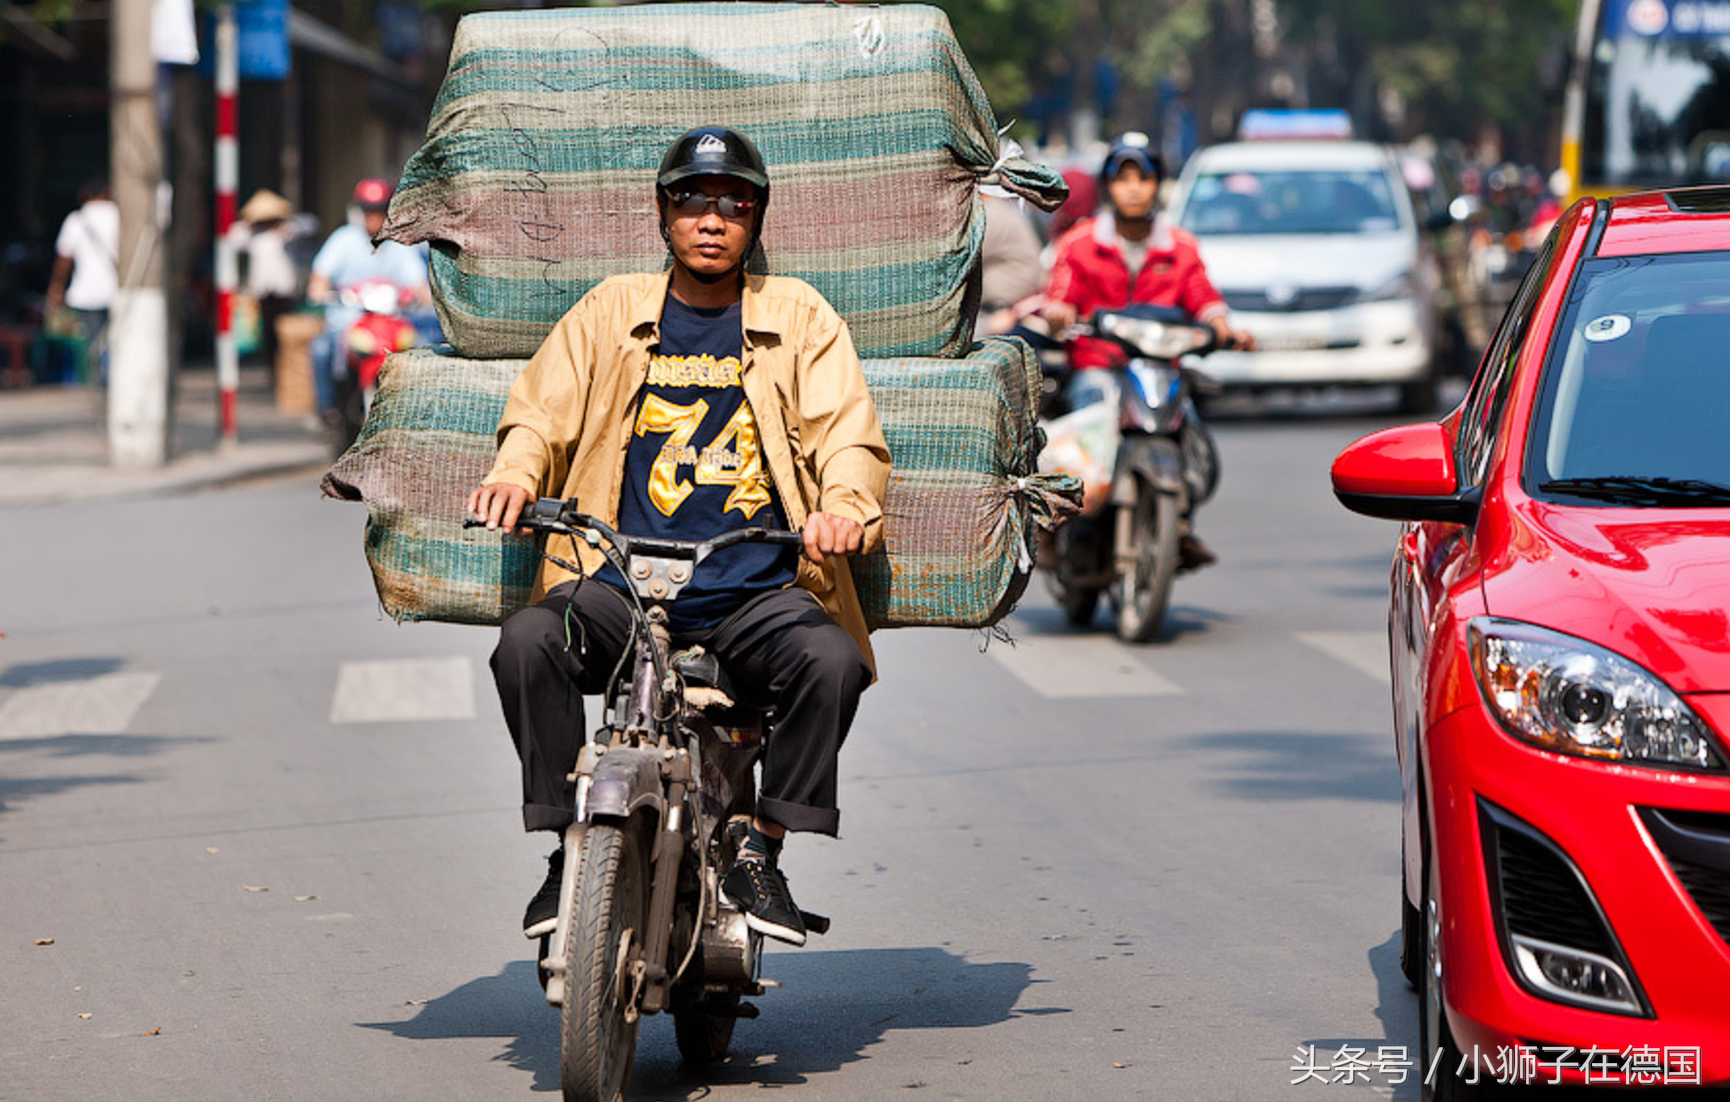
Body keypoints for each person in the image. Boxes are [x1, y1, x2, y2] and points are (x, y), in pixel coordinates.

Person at [466, 126, 890, 949]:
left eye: (734, 203)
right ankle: (569, 847)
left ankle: (759, 848)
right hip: (620, 582)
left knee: (833, 663)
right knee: (525, 643)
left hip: (754, 592)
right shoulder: (610, 310)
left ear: (755, 221)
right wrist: (517, 473)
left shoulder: (800, 316)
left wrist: (844, 505)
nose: (711, 218)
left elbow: (850, 437)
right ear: (663, 213)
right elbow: (540, 414)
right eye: (692, 199)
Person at [1041, 131, 1254, 569]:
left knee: (1187, 426)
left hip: (1158, 371)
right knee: (1093, 411)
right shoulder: (1080, 244)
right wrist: (1061, 311)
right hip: (1098, 367)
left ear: (1159, 185)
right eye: (1124, 178)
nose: (1134, 188)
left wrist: (1223, 328)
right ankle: (1071, 519)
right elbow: (1061, 293)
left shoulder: (1180, 247)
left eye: (1145, 177)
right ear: (1109, 187)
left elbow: (1204, 297)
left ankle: (1179, 524)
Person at [306, 178, 430, 430]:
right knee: (321, 350)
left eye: (378, 210)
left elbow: (419, 286)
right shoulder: (343, 240)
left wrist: (423, 296)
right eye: (368, 211)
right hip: (348, 321)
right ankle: (328, 408)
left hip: (390, 322)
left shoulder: (399, 243)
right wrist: (321, 292)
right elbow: (319, 280)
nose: (373, 217)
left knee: (422, 350)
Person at [228, 189, 312, 379]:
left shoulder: (286, 231)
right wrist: (251, 223)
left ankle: (284, 370)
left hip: (284, 291)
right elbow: (233, 237)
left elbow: (310, 224)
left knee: (284, 335)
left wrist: (284, 222)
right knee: (267, 335)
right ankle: (271, 371)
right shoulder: (252, 235)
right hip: (263, 292)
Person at [46, 178, 118, 382]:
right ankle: (112, 375)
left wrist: (57, 285)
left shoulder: (76, 220)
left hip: (87, 291)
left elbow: (64, 258)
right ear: (107, 191)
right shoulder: (119, 215)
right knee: (116, 338)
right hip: (117, 289)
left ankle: (100, 377)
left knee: (94, 339)